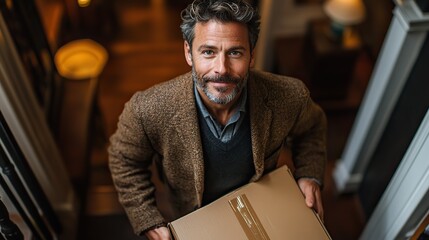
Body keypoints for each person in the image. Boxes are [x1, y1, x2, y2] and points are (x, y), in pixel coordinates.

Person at [108, 0, 327, 239]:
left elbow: (312, 128)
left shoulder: (290, 96)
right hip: (192, 217)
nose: (221, 68)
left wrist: (309, 174)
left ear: (251, 56)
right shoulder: (147, 109)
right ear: (188, 53)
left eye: (235, 52)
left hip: (260, 208)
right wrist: (148, 218)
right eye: (208, 52)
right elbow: (123, 160)